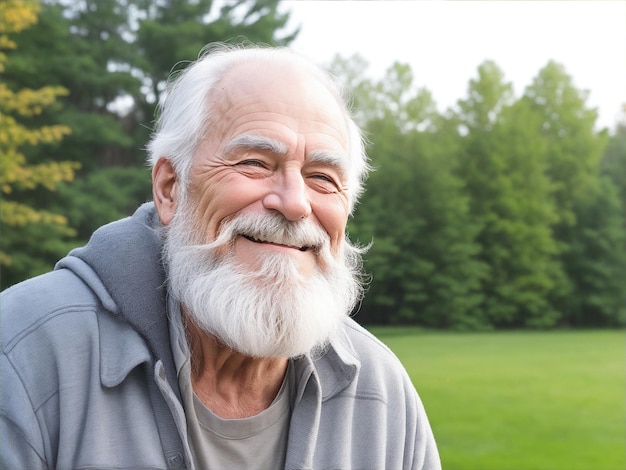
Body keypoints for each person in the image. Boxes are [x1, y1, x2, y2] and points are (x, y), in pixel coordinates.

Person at [0, 44, 440, 470]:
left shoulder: (381, 395)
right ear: (170, 188)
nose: (295, 203)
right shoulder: (24, 353)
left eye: (322, 178)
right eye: (254, 163)